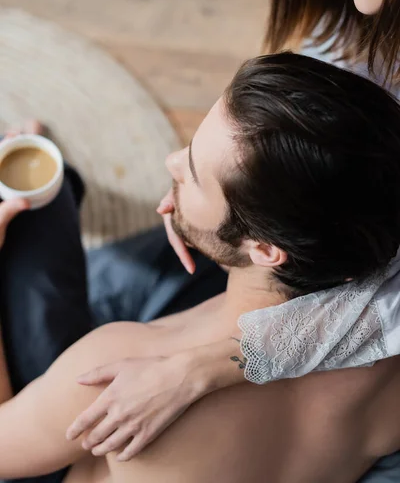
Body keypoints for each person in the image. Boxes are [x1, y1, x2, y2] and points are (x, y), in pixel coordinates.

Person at [65, 0, 400, 472]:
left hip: (308, 276)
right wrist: (216, 174)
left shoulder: (114, 365)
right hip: (297, 253)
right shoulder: (362, 20)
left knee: (91, 286)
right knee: (110, 274)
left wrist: (214, 363)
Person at [2, 53, 400, 483]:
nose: (172, 161)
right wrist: (198, 205)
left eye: (191, 172)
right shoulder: (388, 361)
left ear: (265, 249)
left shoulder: (123, 369)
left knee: (33, 209)